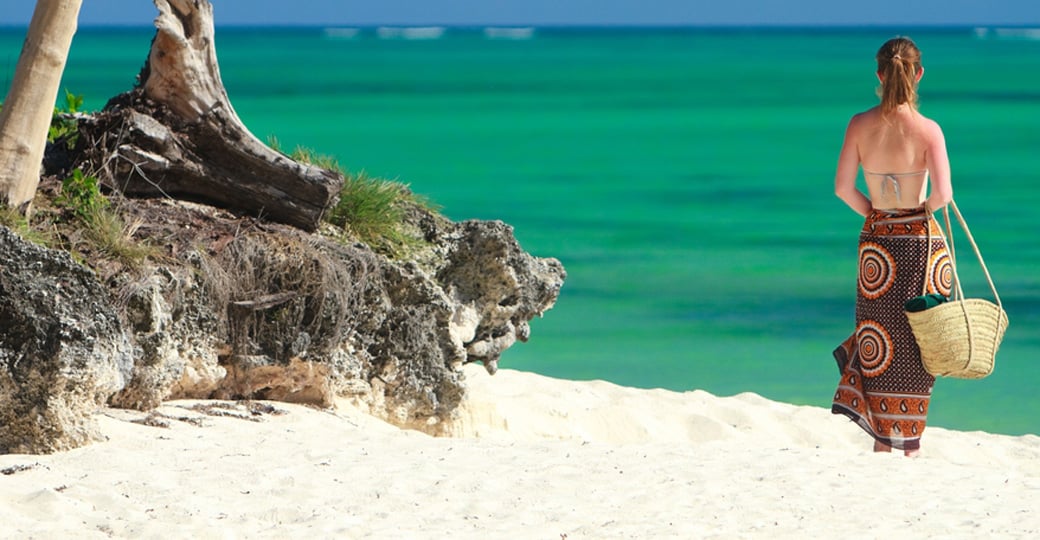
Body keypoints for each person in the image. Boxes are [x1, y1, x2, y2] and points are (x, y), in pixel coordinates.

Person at [831, 37, 954, 457]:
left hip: (879, 246)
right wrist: (918, 210)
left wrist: (875, 213)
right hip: (920, 242)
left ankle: (883, 439)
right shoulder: (928, 130)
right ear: (918, 73)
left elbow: (842, 188)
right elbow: (943, 196)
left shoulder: (858, 124)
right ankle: (910, 440)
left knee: (878, 336)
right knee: (919, 338)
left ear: (879, 75)